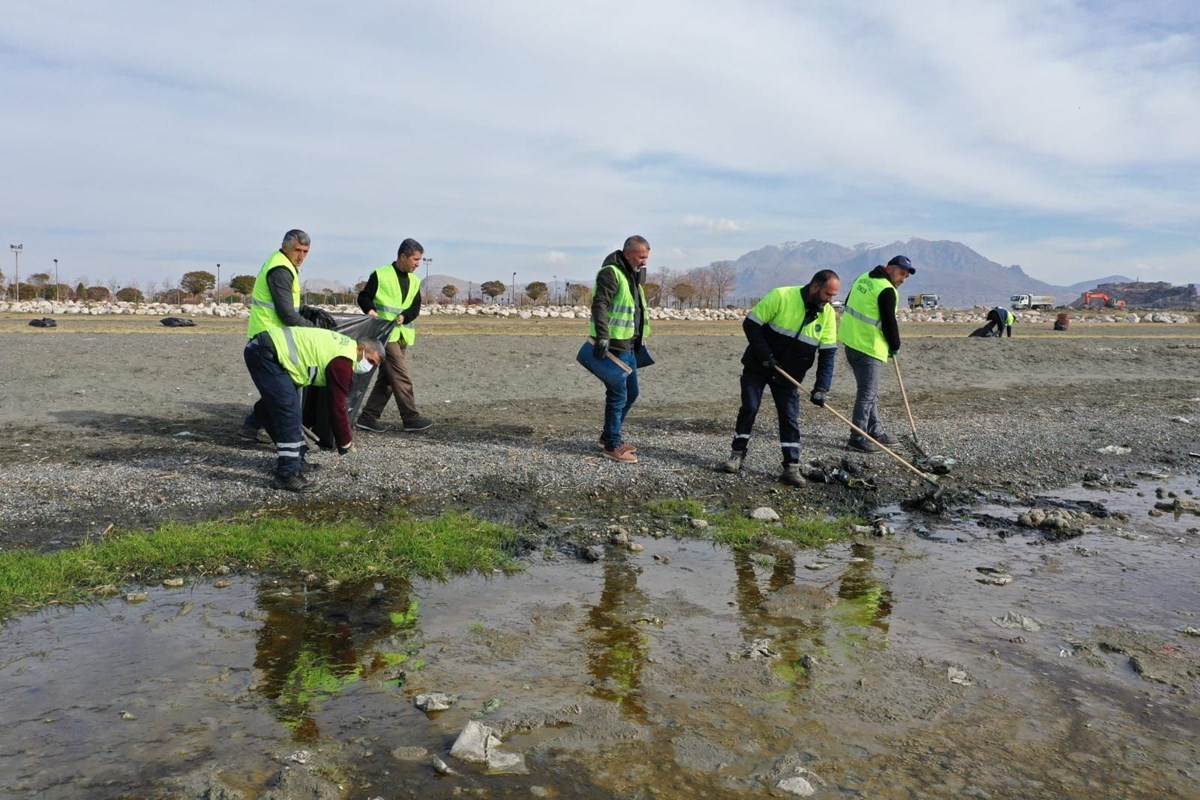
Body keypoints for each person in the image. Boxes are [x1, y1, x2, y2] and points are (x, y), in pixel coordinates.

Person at [722, 270, 840, 485]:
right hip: (759, 365)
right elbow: (751, 324)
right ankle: (737, 455)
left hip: (790, 376)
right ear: (815, 287)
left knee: (789, 417)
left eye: (833, 296)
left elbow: (828, 354)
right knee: (750, 407)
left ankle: (791, 467)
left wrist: (822, 388)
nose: (830, 300)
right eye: (828, 294)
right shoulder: (781, 296)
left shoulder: (828, 314)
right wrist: (766, 356)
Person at [244, 326, 383, 491]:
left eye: (374, 365)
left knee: (276, 408)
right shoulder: (343, 361)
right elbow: (337, 406)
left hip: (270, 352)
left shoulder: (343, 350)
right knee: (289, 413)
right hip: (266, 352)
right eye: (370, 360)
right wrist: (345, 441)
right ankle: (287, 474)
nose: (370, 366)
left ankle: (296, 459)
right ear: (361, 348)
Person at [239, 229, 332, 441]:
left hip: (274, 336)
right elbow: (287, 313)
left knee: (282, 385)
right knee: (286, 386)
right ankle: (276, 430)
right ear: (285, 246)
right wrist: (314, 330)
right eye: (297, 250)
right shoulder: (280, 269)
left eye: (305, 251)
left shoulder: (283, 264)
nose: (301, 256)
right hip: (269, 338)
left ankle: (252, 425)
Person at [353, 239, 435, 433]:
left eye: (420, 260)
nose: (418, 264)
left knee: (389, 379)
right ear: (402, 257)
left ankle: (368, 418)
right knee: (400, 375)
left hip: (402, 335)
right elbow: (364, 296)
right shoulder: (381, 275)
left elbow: (415, 308)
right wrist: (370, 310)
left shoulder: (415, 281)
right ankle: (411, 418)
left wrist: (405, 316)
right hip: (384, 335)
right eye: (415, 259)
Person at [837, 254, 915, 452]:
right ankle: (857, 436)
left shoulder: (863, 278)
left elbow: (848, 302)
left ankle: (875, 430)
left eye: (906, 276)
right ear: (889, 269)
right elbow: (890, 322)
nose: (903, 279)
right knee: (867, 393)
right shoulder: (887, 290)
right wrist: (895, 345)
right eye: (901, 274)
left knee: (869, 391)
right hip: (868, 346)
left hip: (850, 342)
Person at [589, 235, 652, 463]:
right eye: (641, 257)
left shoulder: (632, 275)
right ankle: (612, 445)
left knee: (631, 392)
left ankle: (608, 436)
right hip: (614, 344)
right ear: (628, 253)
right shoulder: (611, 273)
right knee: (618, 395)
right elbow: (600, 305)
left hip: (631, 345)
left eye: (646, 258)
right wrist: (603, 337)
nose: (644, 262)